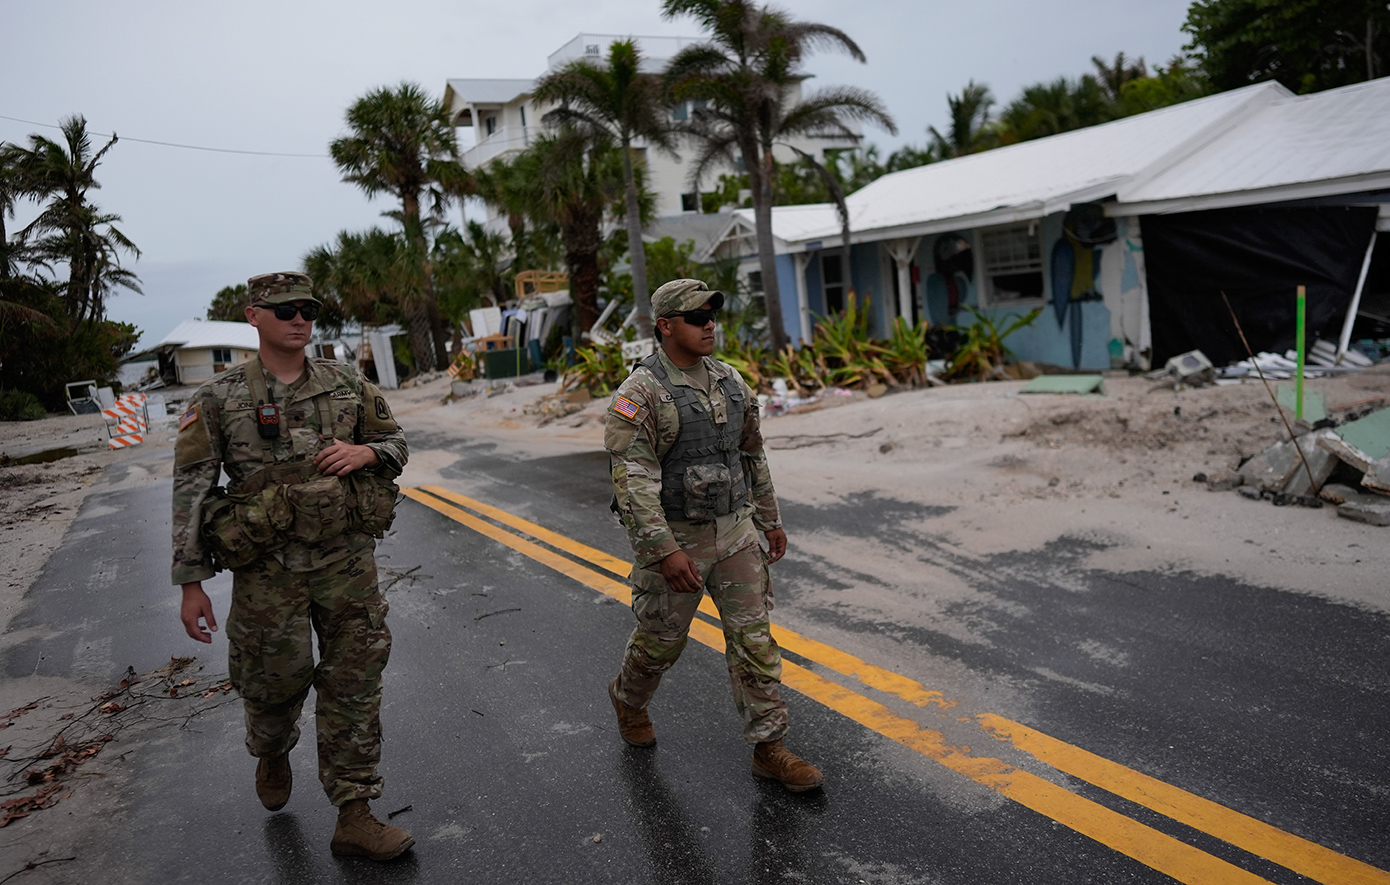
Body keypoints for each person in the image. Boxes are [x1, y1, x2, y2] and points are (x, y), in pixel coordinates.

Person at [172, 271, 414, 860]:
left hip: (346, 560)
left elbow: (397, 445)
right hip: (266, 570)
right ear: (254, 317)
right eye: (284, 311)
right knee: (273, 685)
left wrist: (368, 451)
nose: (299, 319)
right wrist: (191, 583)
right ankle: (272, 750)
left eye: (307, 309)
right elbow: (191, 490)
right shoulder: (218, 397)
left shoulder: (347, 383)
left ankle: (354, 812)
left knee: (355, 681)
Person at [603, 278, 823, 792]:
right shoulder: (641, 394)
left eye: (712, 315)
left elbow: (751, 452)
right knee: (660, 642)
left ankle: (770, 748)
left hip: (735, 531)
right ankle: (628, 699)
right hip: (678, 538)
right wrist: (663, 551)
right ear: (665, 326)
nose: (709, 325)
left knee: (754, 641)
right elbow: (632, 482)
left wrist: (769, 518)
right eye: (697, 317)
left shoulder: (730, 380)